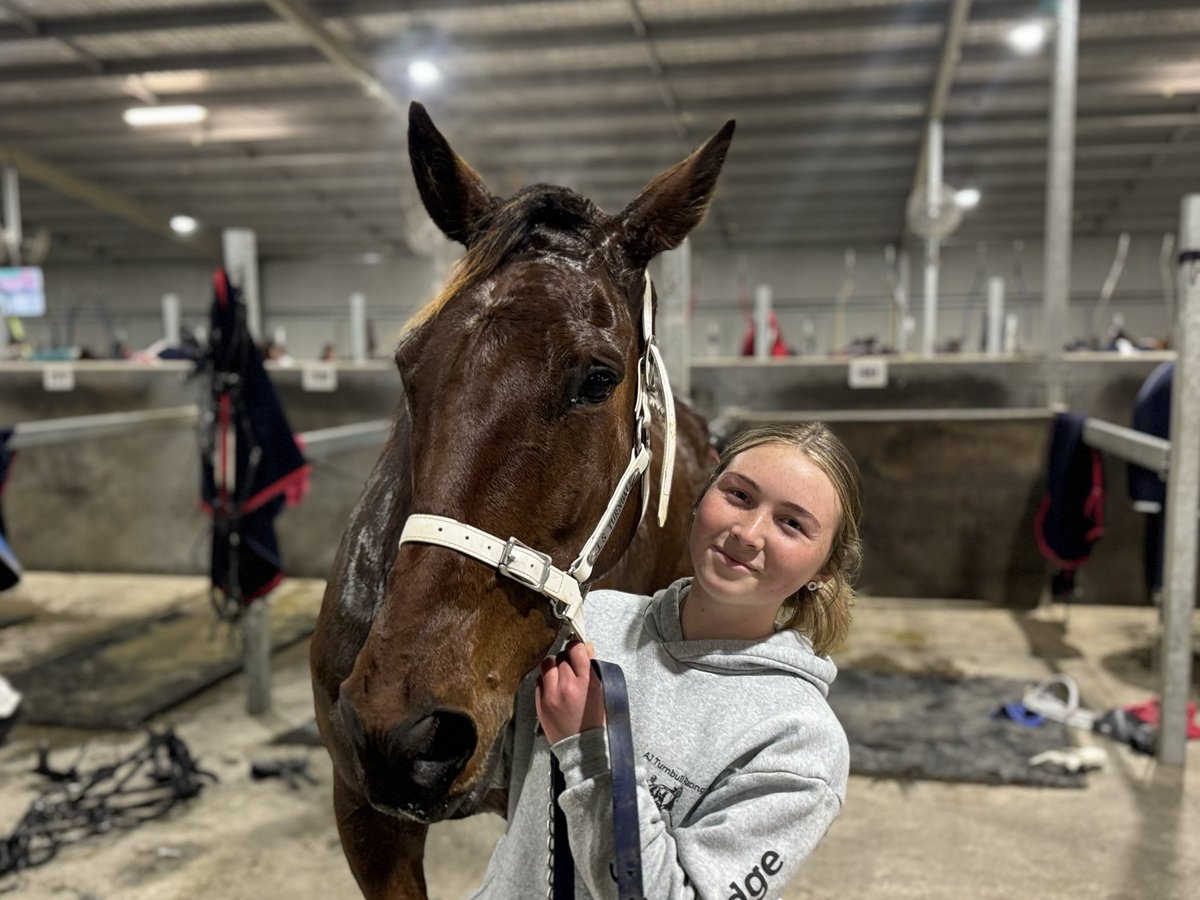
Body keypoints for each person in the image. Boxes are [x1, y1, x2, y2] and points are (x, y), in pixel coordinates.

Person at [472, 422, 863, 899]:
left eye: (792, 524)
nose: (748, 532)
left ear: (822, 569)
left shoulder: (800, 743)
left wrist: (589, 751)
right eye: (739, 495)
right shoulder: (587, 620)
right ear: (704, 495)